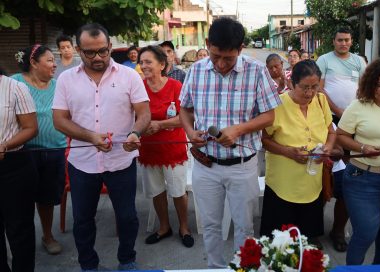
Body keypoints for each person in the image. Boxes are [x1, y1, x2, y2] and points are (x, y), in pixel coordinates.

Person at [179, 17, 281, 268]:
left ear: (241, 49)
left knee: (244, 226)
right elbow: (185, 108)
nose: (222, 64)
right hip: (206, 165)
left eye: (229, 58)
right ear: (207, 44)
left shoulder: (257, 71)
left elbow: (270, 115)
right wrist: (190, 132)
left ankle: (242, 267)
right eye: (215, 56)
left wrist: (239, 129)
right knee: (211, 225)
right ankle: (215, 267)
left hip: (243, 165)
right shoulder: (196, 71)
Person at [52, 23, 151, 271]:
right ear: (78, 50)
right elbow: (59, 119)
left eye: (103, 51)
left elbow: (144, 113)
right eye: (90, 53)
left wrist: (134, 132)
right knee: (83, 220)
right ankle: (89, 265)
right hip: (82, 162)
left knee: (127, 216)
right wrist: (90, 137)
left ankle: (127, 260)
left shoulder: (129, 76)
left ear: (109, 47)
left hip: (121, 160)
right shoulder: (65, 79)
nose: (98, 57)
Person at [259, 60, 336, 247]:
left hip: (311, 182)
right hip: (283, 184)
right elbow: (264, 140)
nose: (310, 93)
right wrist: (288, 152)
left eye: (314, 87)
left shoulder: (321, 100)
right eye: (304, 88)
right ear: (292, 83)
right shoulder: (277, 104)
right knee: (279, 243)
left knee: (307, 239)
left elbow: (331, 131)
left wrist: (327, 147)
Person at [337, 58, 380, 265]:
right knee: (366, 232)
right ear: (371, 84)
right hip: (362, 179)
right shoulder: (358, 106)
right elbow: (341, 135)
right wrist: (362, 148)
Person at [12, 44, 67, 255]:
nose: (55, 64)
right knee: (21, 199)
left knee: (47, 198)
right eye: (50, 60)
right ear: (34, 63)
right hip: (24, 150)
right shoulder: (15, 83)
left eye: (55, 60)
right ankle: (21, 241)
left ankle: (47, 235)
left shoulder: (57, 85)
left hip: (55, 150)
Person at [137, 46, 194, 248]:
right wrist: (141, 129)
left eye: (148, 62)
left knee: (178, 191)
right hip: (148, 150)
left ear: (162, 64)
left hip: (173, 149)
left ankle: (184, 227)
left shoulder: (176, 86)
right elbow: (132, 116)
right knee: (157, 191)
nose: (144, 66)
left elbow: (186, 117)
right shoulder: (139, 88)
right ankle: (164, 227)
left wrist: (159, 125)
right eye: (141, 62)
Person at [316, 27, 366, 252]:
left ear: (351, 41)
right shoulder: (324, 60)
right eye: (339, 40)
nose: (343, 43)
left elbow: (364, 89)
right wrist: (338, 111)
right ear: (333, 41)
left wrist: (354, 115)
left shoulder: (358, 61)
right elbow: (319, 89)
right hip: (330, 120)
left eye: (347, 40)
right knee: (323, 172)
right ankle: (313, 230)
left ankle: (338, 230)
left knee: (349, 178)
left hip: (355, 123)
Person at [0, 68, 38, 271]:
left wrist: (5, 145)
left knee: (19, 229)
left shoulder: (14, 87)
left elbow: (31, 127)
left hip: (13, 167)